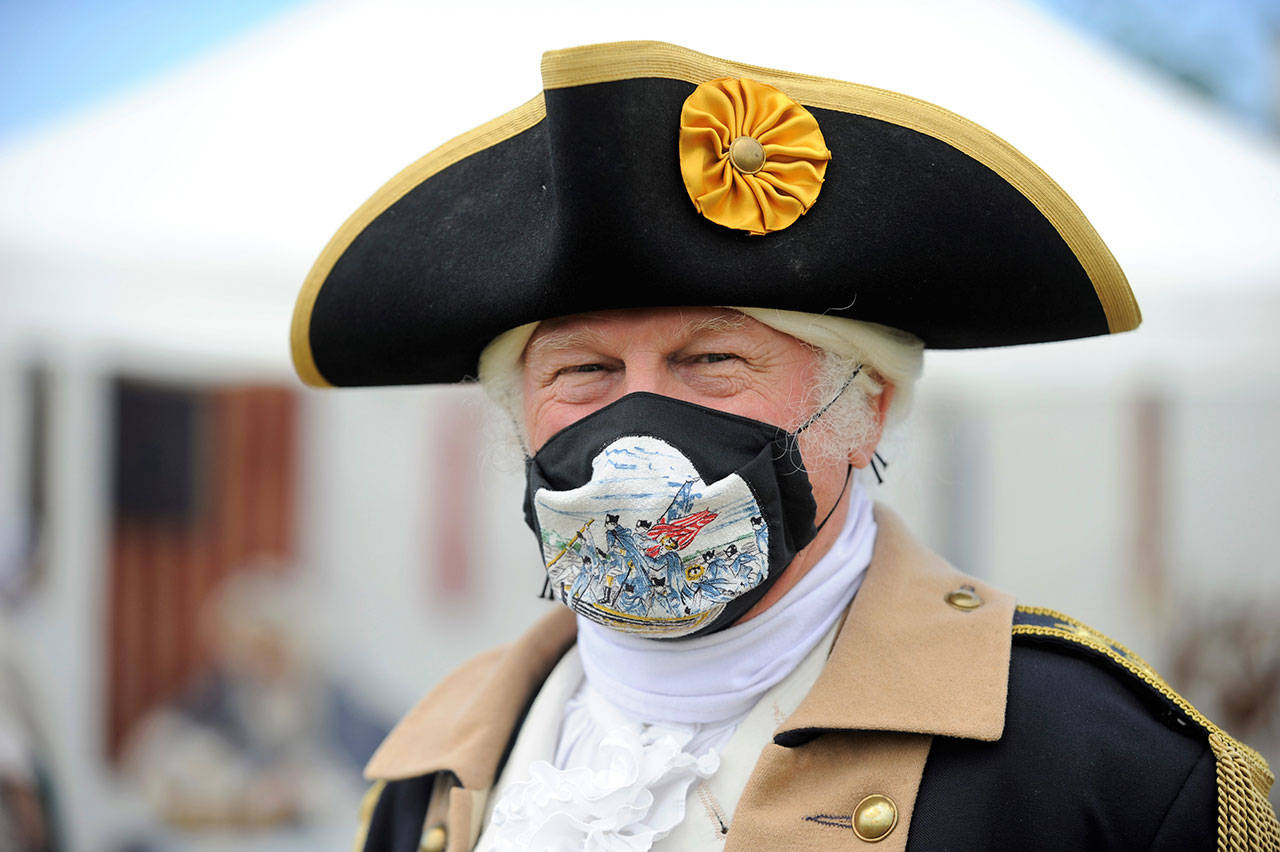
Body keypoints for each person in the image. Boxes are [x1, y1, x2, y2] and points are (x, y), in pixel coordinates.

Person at [290, 41, 1278, 851]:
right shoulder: (435, 767)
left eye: (711, 359)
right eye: (581, 371)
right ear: (517, 425)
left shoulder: (1088, 767)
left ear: (866, 410)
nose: (636, 427)